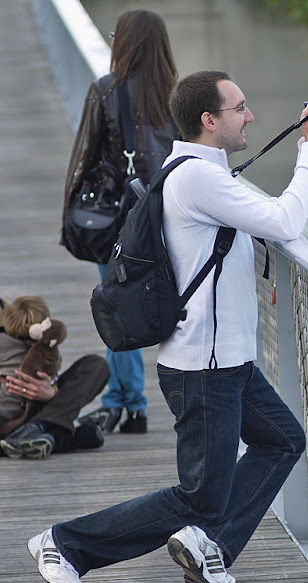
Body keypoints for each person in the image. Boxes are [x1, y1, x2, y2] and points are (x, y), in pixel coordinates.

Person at [27, 71, 308, 583]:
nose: (251, 117)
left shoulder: (202, 170)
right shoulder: (198, 177)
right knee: (198, 495)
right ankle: (66, 542)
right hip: (204, 366)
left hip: (227, 359)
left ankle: (207, 546)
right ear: (209, 120)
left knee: (283, 440)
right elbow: (285, 221)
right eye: (241, 108)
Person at [65, 9, 180, 435]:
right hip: (175, 217)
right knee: (178, 307)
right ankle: (146, 400)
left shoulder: (105, 91)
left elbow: (85, 158)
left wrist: (72, 219)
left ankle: (127, 401)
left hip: (122, 224)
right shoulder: (182, 94)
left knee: (118, 306)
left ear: (123, 44)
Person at [0, 296, 108, 459]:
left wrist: (52, 392)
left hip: (38, 411)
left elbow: (52, 373)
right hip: (6, 415)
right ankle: (58, 438)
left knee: (96, 365)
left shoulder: (47, 344)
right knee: (87, 435)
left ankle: (35, 429)